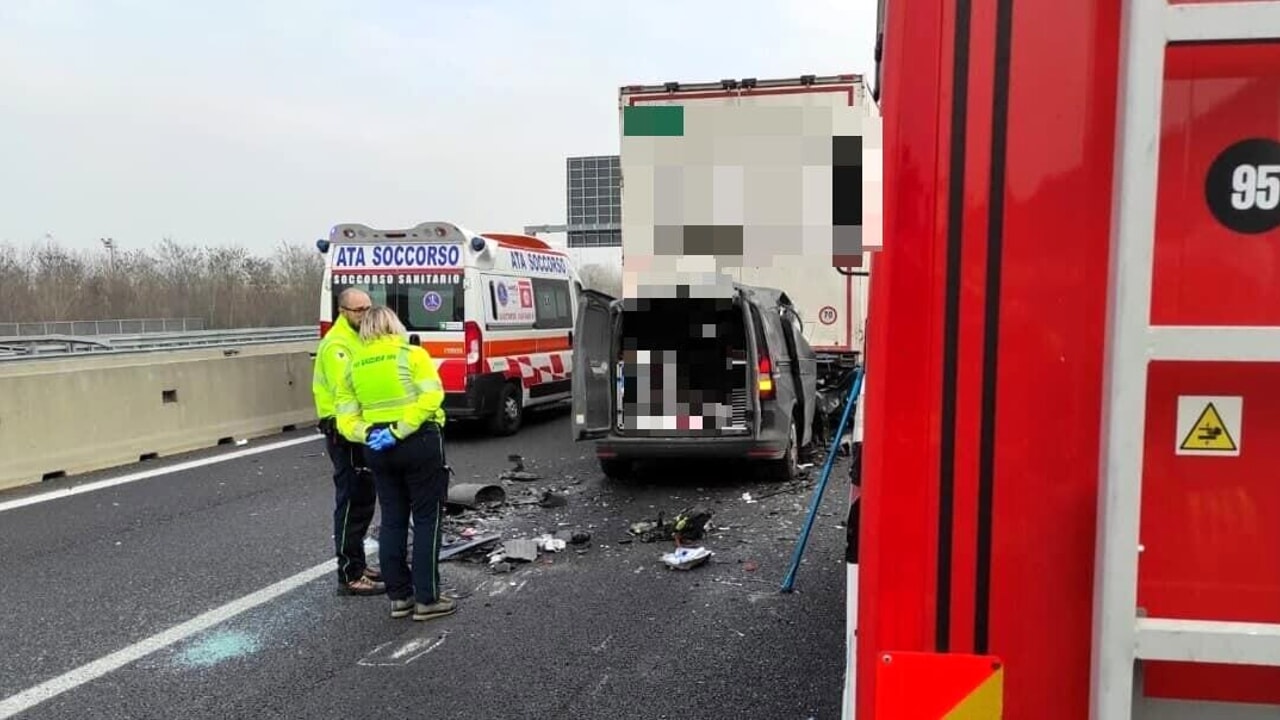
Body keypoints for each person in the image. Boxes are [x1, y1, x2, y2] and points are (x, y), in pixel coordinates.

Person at [335, 306, 455, 621]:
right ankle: (427, 599)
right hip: (417, 442)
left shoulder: (353, 367)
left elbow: (345, 419)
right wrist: (398, 430)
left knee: (392, 520)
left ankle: (399, 597)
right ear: (394, 325)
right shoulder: (411, 355)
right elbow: (432, 398)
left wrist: (370, 433)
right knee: (427, 519)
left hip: (377, 448)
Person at [312, 288, 385, 597]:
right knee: (352, 502)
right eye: (359, 310)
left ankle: (358, 562)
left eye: (369, 308)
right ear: (343, 311)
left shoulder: (359, 338)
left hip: (359, 430)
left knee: (365, 500)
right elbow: (352, 388)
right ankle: (349, 575)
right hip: (343, 432)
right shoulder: (338, 345)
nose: (365, 314)